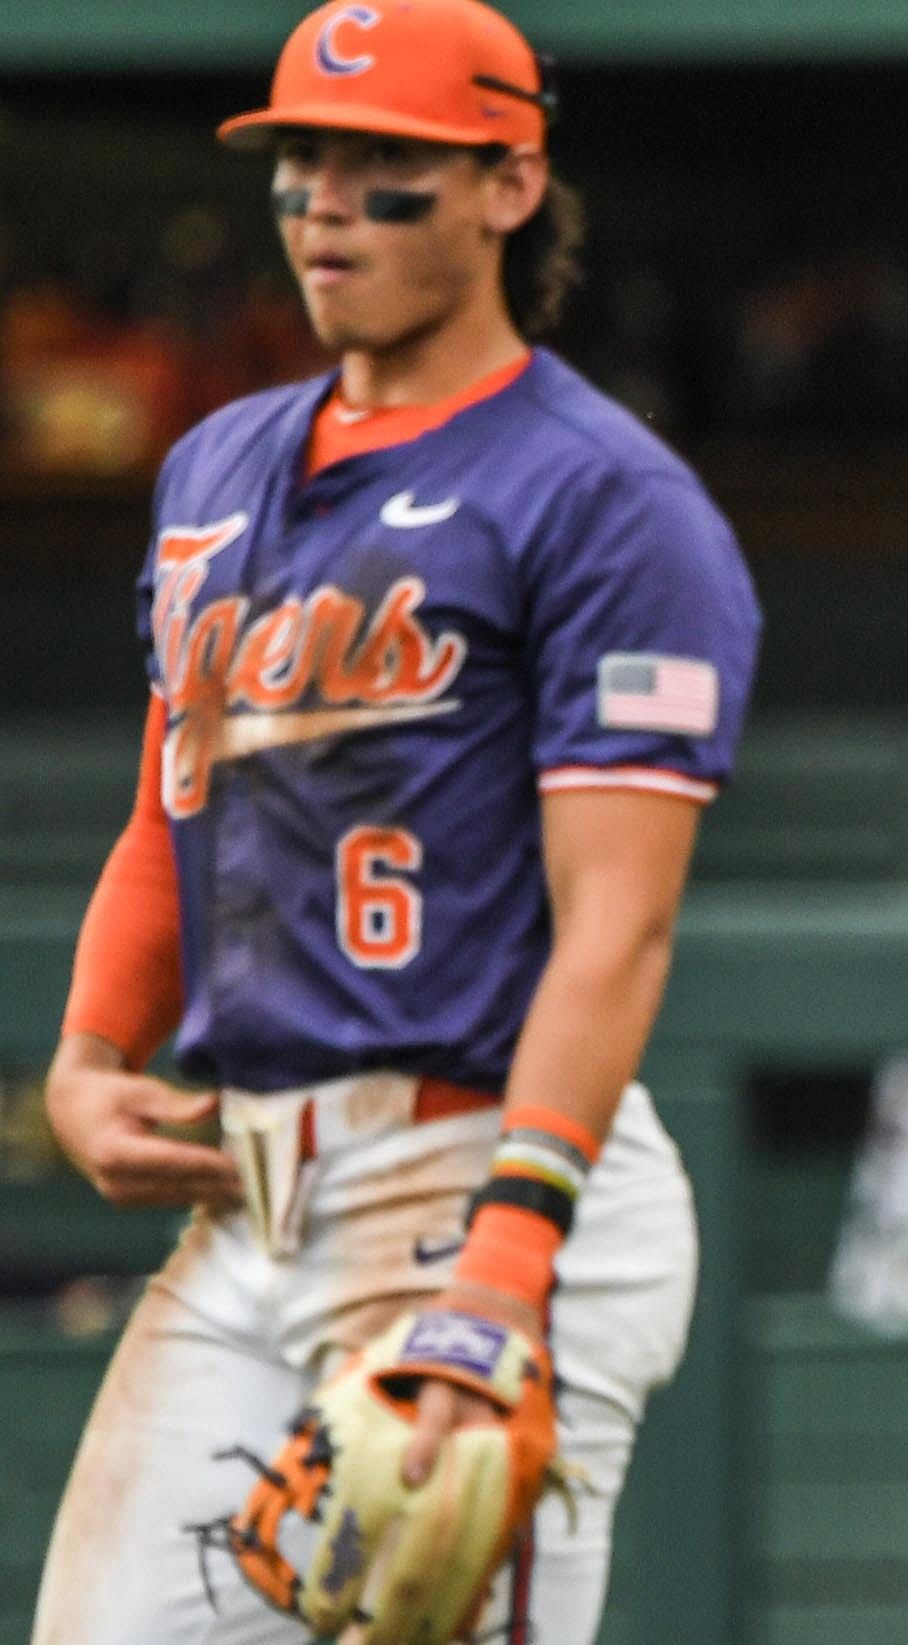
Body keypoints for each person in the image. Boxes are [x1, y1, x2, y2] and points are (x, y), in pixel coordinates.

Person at [33, 2, 761, 1638]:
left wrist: (513, 1252)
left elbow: (618, 922)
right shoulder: (217, 464)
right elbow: (175, 805)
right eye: (302, 163)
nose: (327, 204)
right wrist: (88, 1056)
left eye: (387, 170)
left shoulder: (604, 498)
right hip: (251, 1197)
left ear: (511, 185)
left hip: (483, 1170)